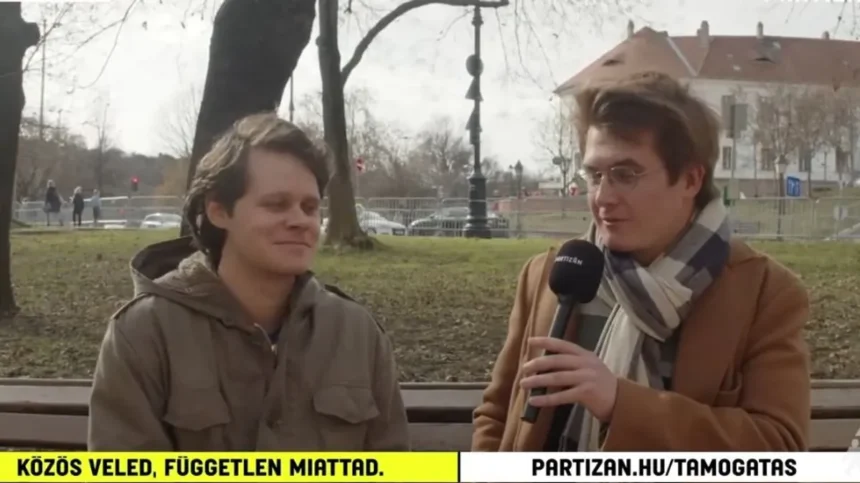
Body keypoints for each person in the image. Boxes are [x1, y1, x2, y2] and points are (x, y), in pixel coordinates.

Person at [472, 71, 810, 452]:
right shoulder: (549, 275)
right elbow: (497, 414)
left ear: (690, 180)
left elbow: (778, 446)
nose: (602, 197)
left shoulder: (764, 294)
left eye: (625, 174)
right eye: (594, 175)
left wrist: (621, 404)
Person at [88, 112, 410, 451]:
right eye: (276, 205)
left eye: (310, 207)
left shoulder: (357, 333)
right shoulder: (145, 333)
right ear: (218, 211)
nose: (300, 221)